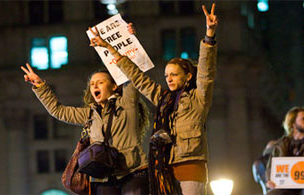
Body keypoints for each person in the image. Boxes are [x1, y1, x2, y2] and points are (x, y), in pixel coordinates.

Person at [88, 3, 218, 194]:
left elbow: (206, 71)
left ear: (188, 76)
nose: (169, 79)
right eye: (166, 76)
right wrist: (109, 47)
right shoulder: (163, 98)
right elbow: (138, 78)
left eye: (174, 74)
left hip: (191, 165)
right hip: (164, 167)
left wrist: (209, 36)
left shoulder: (199, 97)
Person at [21, 65, 150, 194]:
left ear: (114, 86)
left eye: (100, 82)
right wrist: (40, 85)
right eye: (92, 84)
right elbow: (58, 111)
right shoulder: (89, 114)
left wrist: (120, 58)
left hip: (133, 171)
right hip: (103, 176)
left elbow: (130, 78)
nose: (95, 86)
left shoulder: (127, 104)